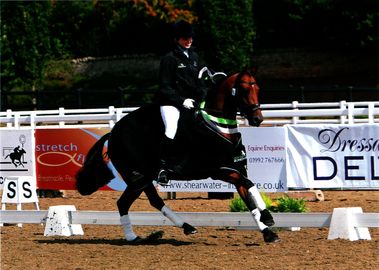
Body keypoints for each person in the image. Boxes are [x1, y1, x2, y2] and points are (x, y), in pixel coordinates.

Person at [154, 20, 207, 185]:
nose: (189, 40)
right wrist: (182, 100)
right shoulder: (169, 59)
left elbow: (200, 81)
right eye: (185, 38)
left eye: (190, 37)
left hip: (191, 102)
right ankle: (161, 168)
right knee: (172, 127)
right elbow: (165, 87)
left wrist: (202, 95)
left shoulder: (194, 57)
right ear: (177, 39)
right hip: (170, 103)